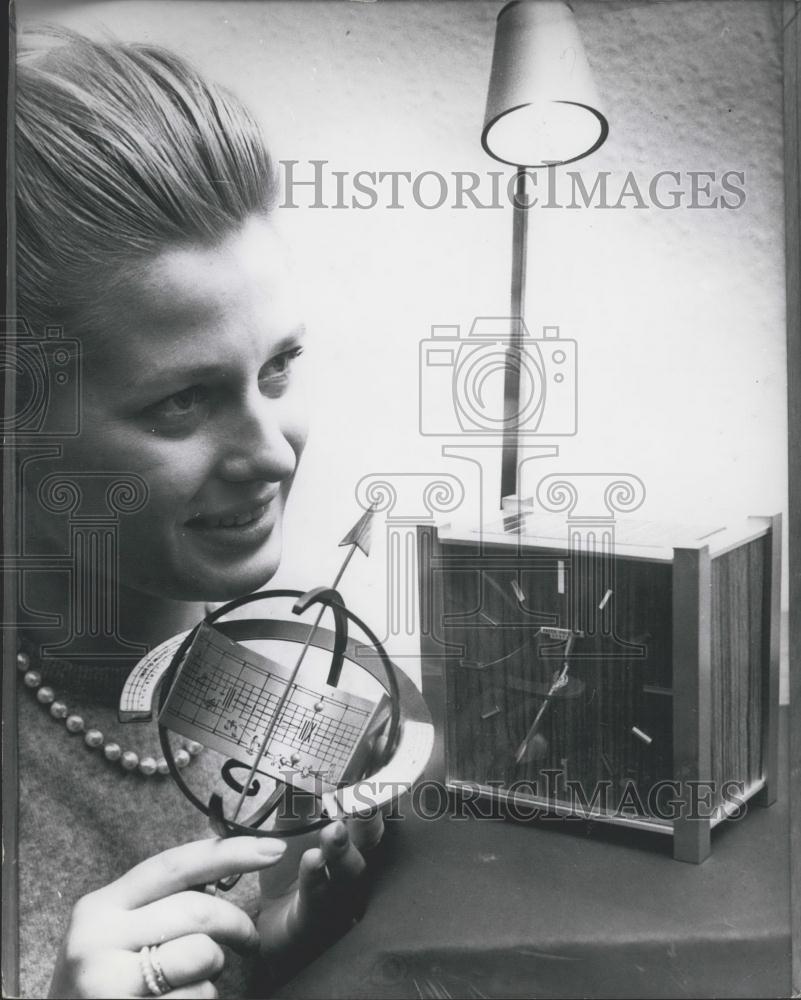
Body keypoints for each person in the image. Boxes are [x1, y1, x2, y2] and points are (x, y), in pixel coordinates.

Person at [13, 26, 379, 999]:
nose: (273, 452)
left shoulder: (279, 694)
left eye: (277, 368)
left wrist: (279, 949)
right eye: (182, 400)